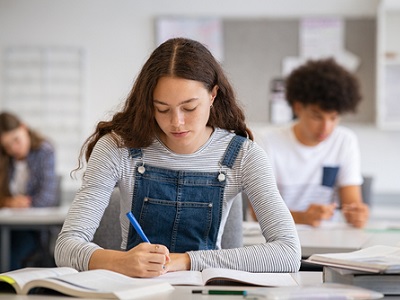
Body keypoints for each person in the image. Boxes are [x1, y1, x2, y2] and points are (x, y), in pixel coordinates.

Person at [55, 37, 301, 278]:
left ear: (213, 95)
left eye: (189, 108)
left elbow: (288, 253)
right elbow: (66, 246)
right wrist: (120, 261)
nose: (176, 122)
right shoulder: (117, 148)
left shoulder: (244, 156)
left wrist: (185, 261)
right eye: (162, 108)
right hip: (134, 290)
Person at [256, 58, 369, 228]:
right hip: (277, 240)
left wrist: (357, 214)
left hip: (327, 241)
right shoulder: (266, 141)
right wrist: (303, 217)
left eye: (333, 117)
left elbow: (352, 203)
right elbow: (257, 212)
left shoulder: (344, 141)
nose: (326, 127)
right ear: (298, 107)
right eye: (317, 116)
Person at [0, 111, 58, 270]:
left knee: (11, 256)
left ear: (24, 128)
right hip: (6, 225)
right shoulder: (5, 158)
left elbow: (47, 197)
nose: (13, 148)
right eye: (7, 146)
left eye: (16, 140)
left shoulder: (44, 151)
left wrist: (25, 203)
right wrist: (8, 202)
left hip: (32, 229)